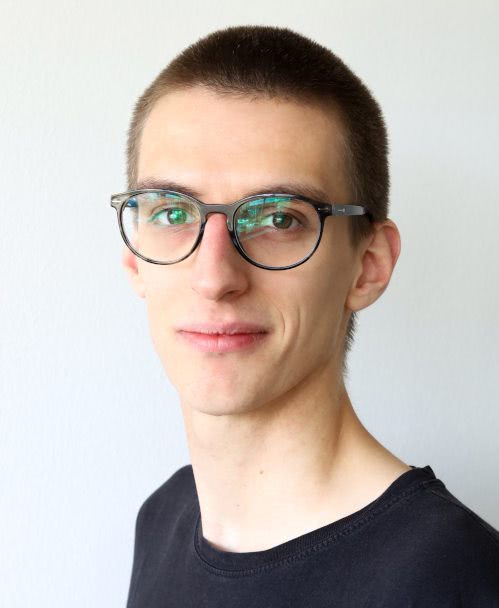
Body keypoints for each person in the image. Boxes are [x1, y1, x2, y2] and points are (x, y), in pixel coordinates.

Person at [111, 25, 499, 607]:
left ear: (368, 265)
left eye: (279, 219)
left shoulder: (453, 578)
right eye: (172, 214)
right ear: (134, 261)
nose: (214, 277)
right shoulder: (163, 520)